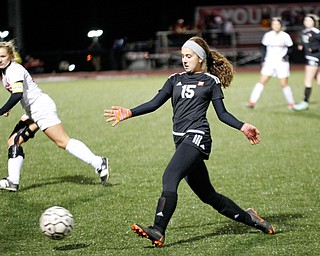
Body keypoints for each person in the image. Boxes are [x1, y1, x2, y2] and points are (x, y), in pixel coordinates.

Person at [104, 36, 276, 247]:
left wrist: (242, 126)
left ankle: (158, 230)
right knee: (208, 196)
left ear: (200, 58)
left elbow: (222, 114)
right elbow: (154, 103)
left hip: (197, 137)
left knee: (170, 176)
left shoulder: (211, 82)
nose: (184, 60)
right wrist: (129, 112)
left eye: (189, 56)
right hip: (182, 141)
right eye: (182, 56)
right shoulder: (174, 79)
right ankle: (252, 219)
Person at [0, 40, 109, 192]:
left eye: (3, 56)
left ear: (10, 56)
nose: (0, 59)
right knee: (13, 142)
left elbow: (17, 94)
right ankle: (13, 181)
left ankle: (99, 162)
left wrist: (2, 110)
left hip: (41, 108)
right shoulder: (6, 71)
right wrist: (8, 109)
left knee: (62, 141)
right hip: (33, 110)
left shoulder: (13, 70)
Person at [246, 17, 295, 109]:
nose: (276, 26)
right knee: (262, 81)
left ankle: (291, 103)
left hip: (282, 63)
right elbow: (263, 49)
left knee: (284, 84)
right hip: (270, 62)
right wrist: (263, 60)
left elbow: (291, 47)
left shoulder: (285, 36)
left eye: (278, 24)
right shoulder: (268, 35)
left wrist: (285, 56)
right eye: (274, 24)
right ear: (271, 26)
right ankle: (252, 102)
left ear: (281, 25)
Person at [293, 14, 320, 111]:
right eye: (306, 20)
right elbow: (303, 41)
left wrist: (314, 49)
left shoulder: (317, 32)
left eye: (309, 20)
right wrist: (300, 44)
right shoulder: (304, 32)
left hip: (314, 58)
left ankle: (305, 102)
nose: (307, 22)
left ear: (314, 22)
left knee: (308, 80)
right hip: (310, 57)